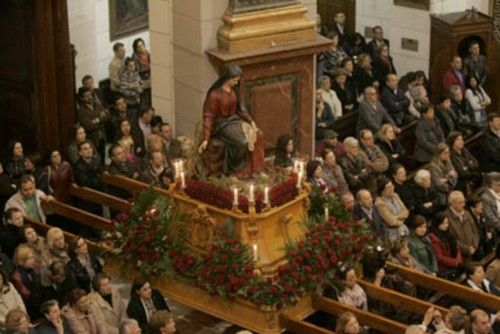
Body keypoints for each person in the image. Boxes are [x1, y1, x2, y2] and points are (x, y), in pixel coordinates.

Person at [199, 64, 264, 175]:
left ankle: (253, 167)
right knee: (243, 142)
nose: (237, 82)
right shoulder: (214, 95)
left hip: (234, 121)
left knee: (257, 134)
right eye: (235, 79)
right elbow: (208, 116)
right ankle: (235, 168)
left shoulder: (234, 92)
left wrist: (251, 121)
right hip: (221, 125)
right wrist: (206, 138)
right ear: (228, 78)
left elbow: (240, 110)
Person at [77, 86, 110, 161]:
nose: (90, 97)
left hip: (102, 136)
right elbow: (89, 126)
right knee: (94, 159)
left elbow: (108, 116)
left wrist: (95, 120)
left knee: (103, 159)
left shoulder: (98, 105)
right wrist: (100, 118)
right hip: (92, 139)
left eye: (90, 95)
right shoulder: (81, 111)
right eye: (86, 96)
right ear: (82, 98)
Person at [11, 245, 44, 320]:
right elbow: (27, 295)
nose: (33, 260)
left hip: (40, 301)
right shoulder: (16, 276)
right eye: (29, 258)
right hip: (29, 307)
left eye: (32, 257)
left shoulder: (34, 269)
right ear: (22, 260)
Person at [446, 191, 479, 259]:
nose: (463, 204)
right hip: (460, 255)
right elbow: (451, 239)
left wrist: (475, 245)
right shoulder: (447, 217)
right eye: (460, 202)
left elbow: (475, 230)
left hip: (473, 251)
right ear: (452, 204)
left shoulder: (467, 213)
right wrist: (467, 249)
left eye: (464, 202)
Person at [429, 212, 463, 280]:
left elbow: (457, 248)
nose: (446, 225)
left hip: (455, 264)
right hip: (444, 269)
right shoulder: (433, 237)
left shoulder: (449, 233)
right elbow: (439, 257)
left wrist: (458, 260)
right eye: (443, 223)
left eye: (447, 223)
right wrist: (454, 262)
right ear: (437, 224)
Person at [73, 141, 104, 215]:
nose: (89, 150)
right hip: (87, 200)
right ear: (80, 153)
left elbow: (103, 176)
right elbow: (85, 183)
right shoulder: (78, 166)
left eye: (90, 147)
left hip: (98, 197)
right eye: (85, 149)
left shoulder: (97, 161)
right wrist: (98, 178)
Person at [374, 178, 409, 243]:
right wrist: (401, 218)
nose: (391, 189)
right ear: (382, 190)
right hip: (393, 236)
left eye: (392, 186)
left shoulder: (395, 195)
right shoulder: (379, 203)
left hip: (403, 230)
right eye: (388, 187)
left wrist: (395, 217)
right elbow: (391, 222)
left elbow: (406, 212)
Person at [468, 195, 495, 261]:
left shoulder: (481, 214)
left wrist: (489, 232)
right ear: (472, 208)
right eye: (479, 206)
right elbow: (475, 234)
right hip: (477, 244)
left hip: (485, 240)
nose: (481, 207)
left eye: (481, 205)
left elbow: (487, 226)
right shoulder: (470, 219)